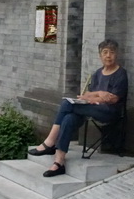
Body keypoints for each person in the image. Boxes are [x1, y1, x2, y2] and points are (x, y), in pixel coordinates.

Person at [28, 39, 128, 177]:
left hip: (109, 112)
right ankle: (59, 162)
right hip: (91, 109)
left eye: (111, 52)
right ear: (100, 55)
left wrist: (92, 97)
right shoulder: (98, 73)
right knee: (69, 118)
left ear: (116, 55)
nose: (108, 56)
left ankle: (50, 141)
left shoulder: (121, 74)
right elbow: (88, 95)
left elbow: (113, 99)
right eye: (105, 52)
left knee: (66, 104)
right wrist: (98, 94)